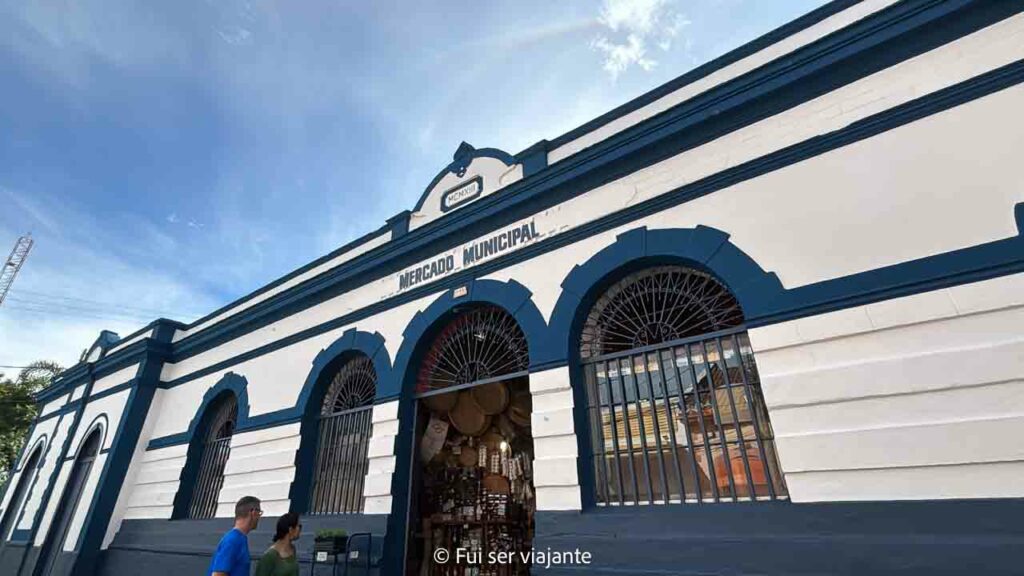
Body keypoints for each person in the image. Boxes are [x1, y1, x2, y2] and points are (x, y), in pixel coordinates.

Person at [208, 496, 263, 576]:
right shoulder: (233, 540)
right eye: (259, 513)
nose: (259, 517)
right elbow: (218, 574)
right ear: (253, 512)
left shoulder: (239, 539)